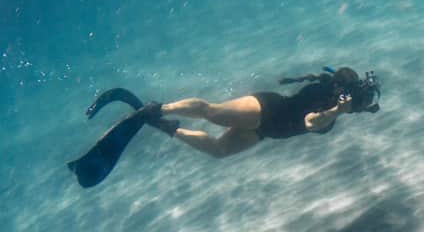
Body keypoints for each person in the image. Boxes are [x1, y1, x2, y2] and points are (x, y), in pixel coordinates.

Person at [137, 66, 381, 158]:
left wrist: (345, 109)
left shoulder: (334, 106)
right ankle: (158, 108)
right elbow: (309, 123)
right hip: (265, 109)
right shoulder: (322, 95)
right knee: (211, 112)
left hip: (267, 131)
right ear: (340, 90)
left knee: (219, 151)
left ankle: (169, 127)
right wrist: (338, 110)